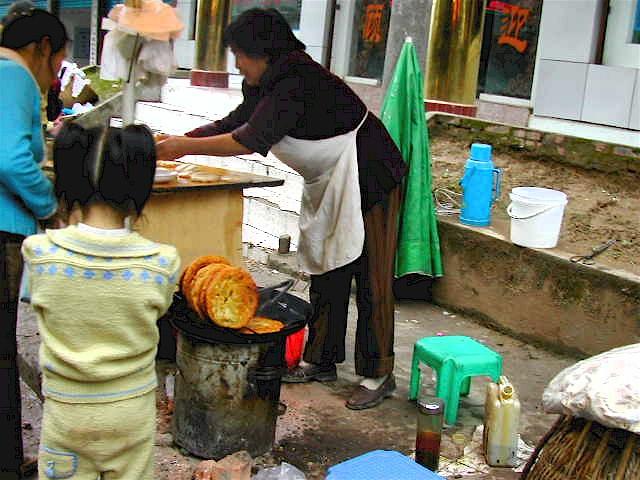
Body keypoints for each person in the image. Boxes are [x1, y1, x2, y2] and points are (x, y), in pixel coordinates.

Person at [156, 8, 408, 410]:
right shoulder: (263, 83)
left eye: (240, 54)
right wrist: (179, 139)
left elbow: (249, 140)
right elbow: (236, 121)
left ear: (264, 50)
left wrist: (183, 148)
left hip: (372, 170)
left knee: (372, 273)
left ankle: (378, 372)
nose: (236, 63)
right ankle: (321, 359)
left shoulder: (297, 80)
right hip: (328, 176)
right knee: (326, 264)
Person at [21, 123, 180, 480]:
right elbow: (159, 309)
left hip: (67, 414)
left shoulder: (39, 253)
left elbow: (37, 302)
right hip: (130, 414)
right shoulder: (161, 262)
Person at [0, 8, 67, 478]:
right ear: (41, 47)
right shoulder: (16, 75)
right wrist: (48, 206)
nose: (52, 75)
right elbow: (9, 159)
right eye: (56, 62)